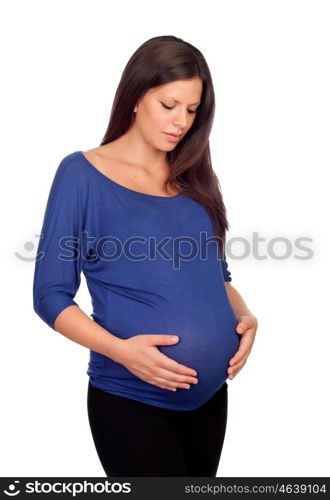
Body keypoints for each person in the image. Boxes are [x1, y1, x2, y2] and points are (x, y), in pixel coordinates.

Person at [33, 35, 258, 477]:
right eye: (169, 105)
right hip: (131, 398)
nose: (181, 122)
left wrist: (247, 318)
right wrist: (122, 352)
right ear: (136, 96)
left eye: (192, 110)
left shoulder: (195, 179)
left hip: (210, 399)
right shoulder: (81, 174)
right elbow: (50, 295)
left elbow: (218, 276)